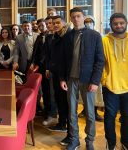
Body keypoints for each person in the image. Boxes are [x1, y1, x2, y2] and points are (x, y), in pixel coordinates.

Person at [59, 8, 104, 150]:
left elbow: (100, 60)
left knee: (90, 113)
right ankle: (74, 140)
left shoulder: (95, 36)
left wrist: (95, 81)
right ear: (71, 19)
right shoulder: (67, 36)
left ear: (83, 17)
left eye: (78, 16)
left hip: (88, 80)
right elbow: (63, 60)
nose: (76, 19)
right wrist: (62, 78)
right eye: (73, 17)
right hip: (71, 79)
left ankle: (89, 141)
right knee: (71, 112)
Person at [101, 13, 128, 150]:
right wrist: (104, 79)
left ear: (126, 23)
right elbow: (100, 62)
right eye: (115, 23)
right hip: (110, 86)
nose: (119, 25)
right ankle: (110, 143)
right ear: (111, 25)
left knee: (127, 117)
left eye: (121, 23)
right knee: (110, 116)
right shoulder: (105, 40)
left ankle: (125, 142)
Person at [45, 16, 71, 146]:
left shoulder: (68, 36)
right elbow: (53, 55)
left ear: (64, 23)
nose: (55, 25)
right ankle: (62, 123)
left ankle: (68, 130)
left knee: (66, 103)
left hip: (65, 76)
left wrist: (62, 77)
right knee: (60, 100)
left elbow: (65, 59)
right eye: (53, 23)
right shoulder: (56, 36)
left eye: (57, 23)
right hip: (56, 73)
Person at [31, 18, 58, 126]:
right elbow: (35, 52)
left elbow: (48, 54)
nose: (42, 28)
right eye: (40, 26)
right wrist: (33, 62)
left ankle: (52, 114)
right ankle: (46, 111)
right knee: (45, 91)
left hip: (49, 67)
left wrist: (40, 63)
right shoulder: (39, 37)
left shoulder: (51, 36)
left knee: (51, 92)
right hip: (41, 69)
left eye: (44, 25)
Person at [78, 15, 104, 122]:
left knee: (95, 94)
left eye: (90, 22)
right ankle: (85, 110)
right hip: (84, 70)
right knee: (84, 93)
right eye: (86, 22)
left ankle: (95, 112)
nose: (88, 24)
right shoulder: (81, 35)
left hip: (96, 70)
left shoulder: (98, 36)